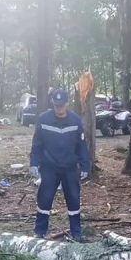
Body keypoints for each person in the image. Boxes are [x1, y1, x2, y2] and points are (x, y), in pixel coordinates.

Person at [30, 89, 90, 242]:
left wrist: (85, 165)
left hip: (70, 168)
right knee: (44, 199)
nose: (59, 108)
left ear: (66, 104)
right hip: (49, 167)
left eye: (62, 105)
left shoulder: (76, 121)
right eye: (57, 106)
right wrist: (34, 163)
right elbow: (37, 144)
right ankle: (39, 231)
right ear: (53, 104)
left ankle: (76, 232)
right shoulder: (43, 120)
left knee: (73, 200)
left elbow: (81, 146)